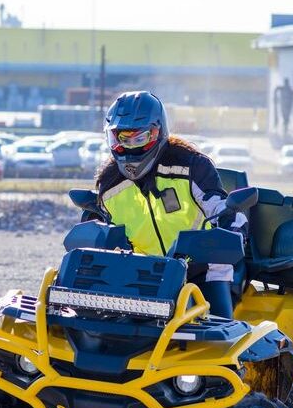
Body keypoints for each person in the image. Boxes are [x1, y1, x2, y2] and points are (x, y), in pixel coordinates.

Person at [95, 90, 246, 318]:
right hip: (142, 274)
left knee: (221, 338)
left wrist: (232, 228)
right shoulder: (109, 185)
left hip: (201, 270)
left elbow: (222, 208)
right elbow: (102, 230)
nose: (130, 148)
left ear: (159, 132)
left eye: (140, 138)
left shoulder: (192, 166)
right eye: (121, 139)